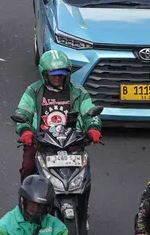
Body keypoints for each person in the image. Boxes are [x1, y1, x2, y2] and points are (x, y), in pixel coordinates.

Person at [14, 50, 102, 179]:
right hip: (41, 142)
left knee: (83, 173)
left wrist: (93, 128)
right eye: (53, 74)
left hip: (71, 141)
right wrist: (26, 130)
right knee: (28, 168)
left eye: (62, 74)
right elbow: (23, 113)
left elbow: (89, 112)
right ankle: (26, 200)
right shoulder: (33, 91)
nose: (58, 77)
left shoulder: (78, 92)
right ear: (44, 74)